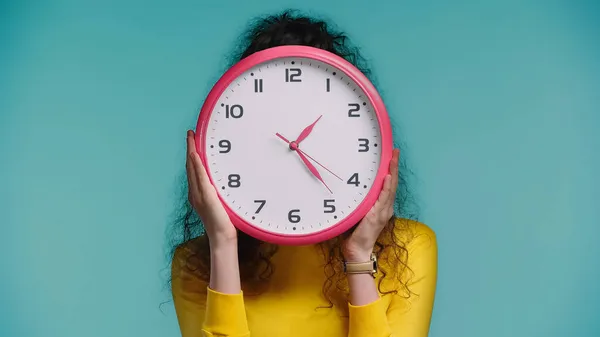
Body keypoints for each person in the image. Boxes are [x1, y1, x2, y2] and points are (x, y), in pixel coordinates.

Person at [169, 10, 438, 337]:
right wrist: (223, 244)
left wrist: (358, 257)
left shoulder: (410, 248)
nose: (294, 145)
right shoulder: (197, 262)